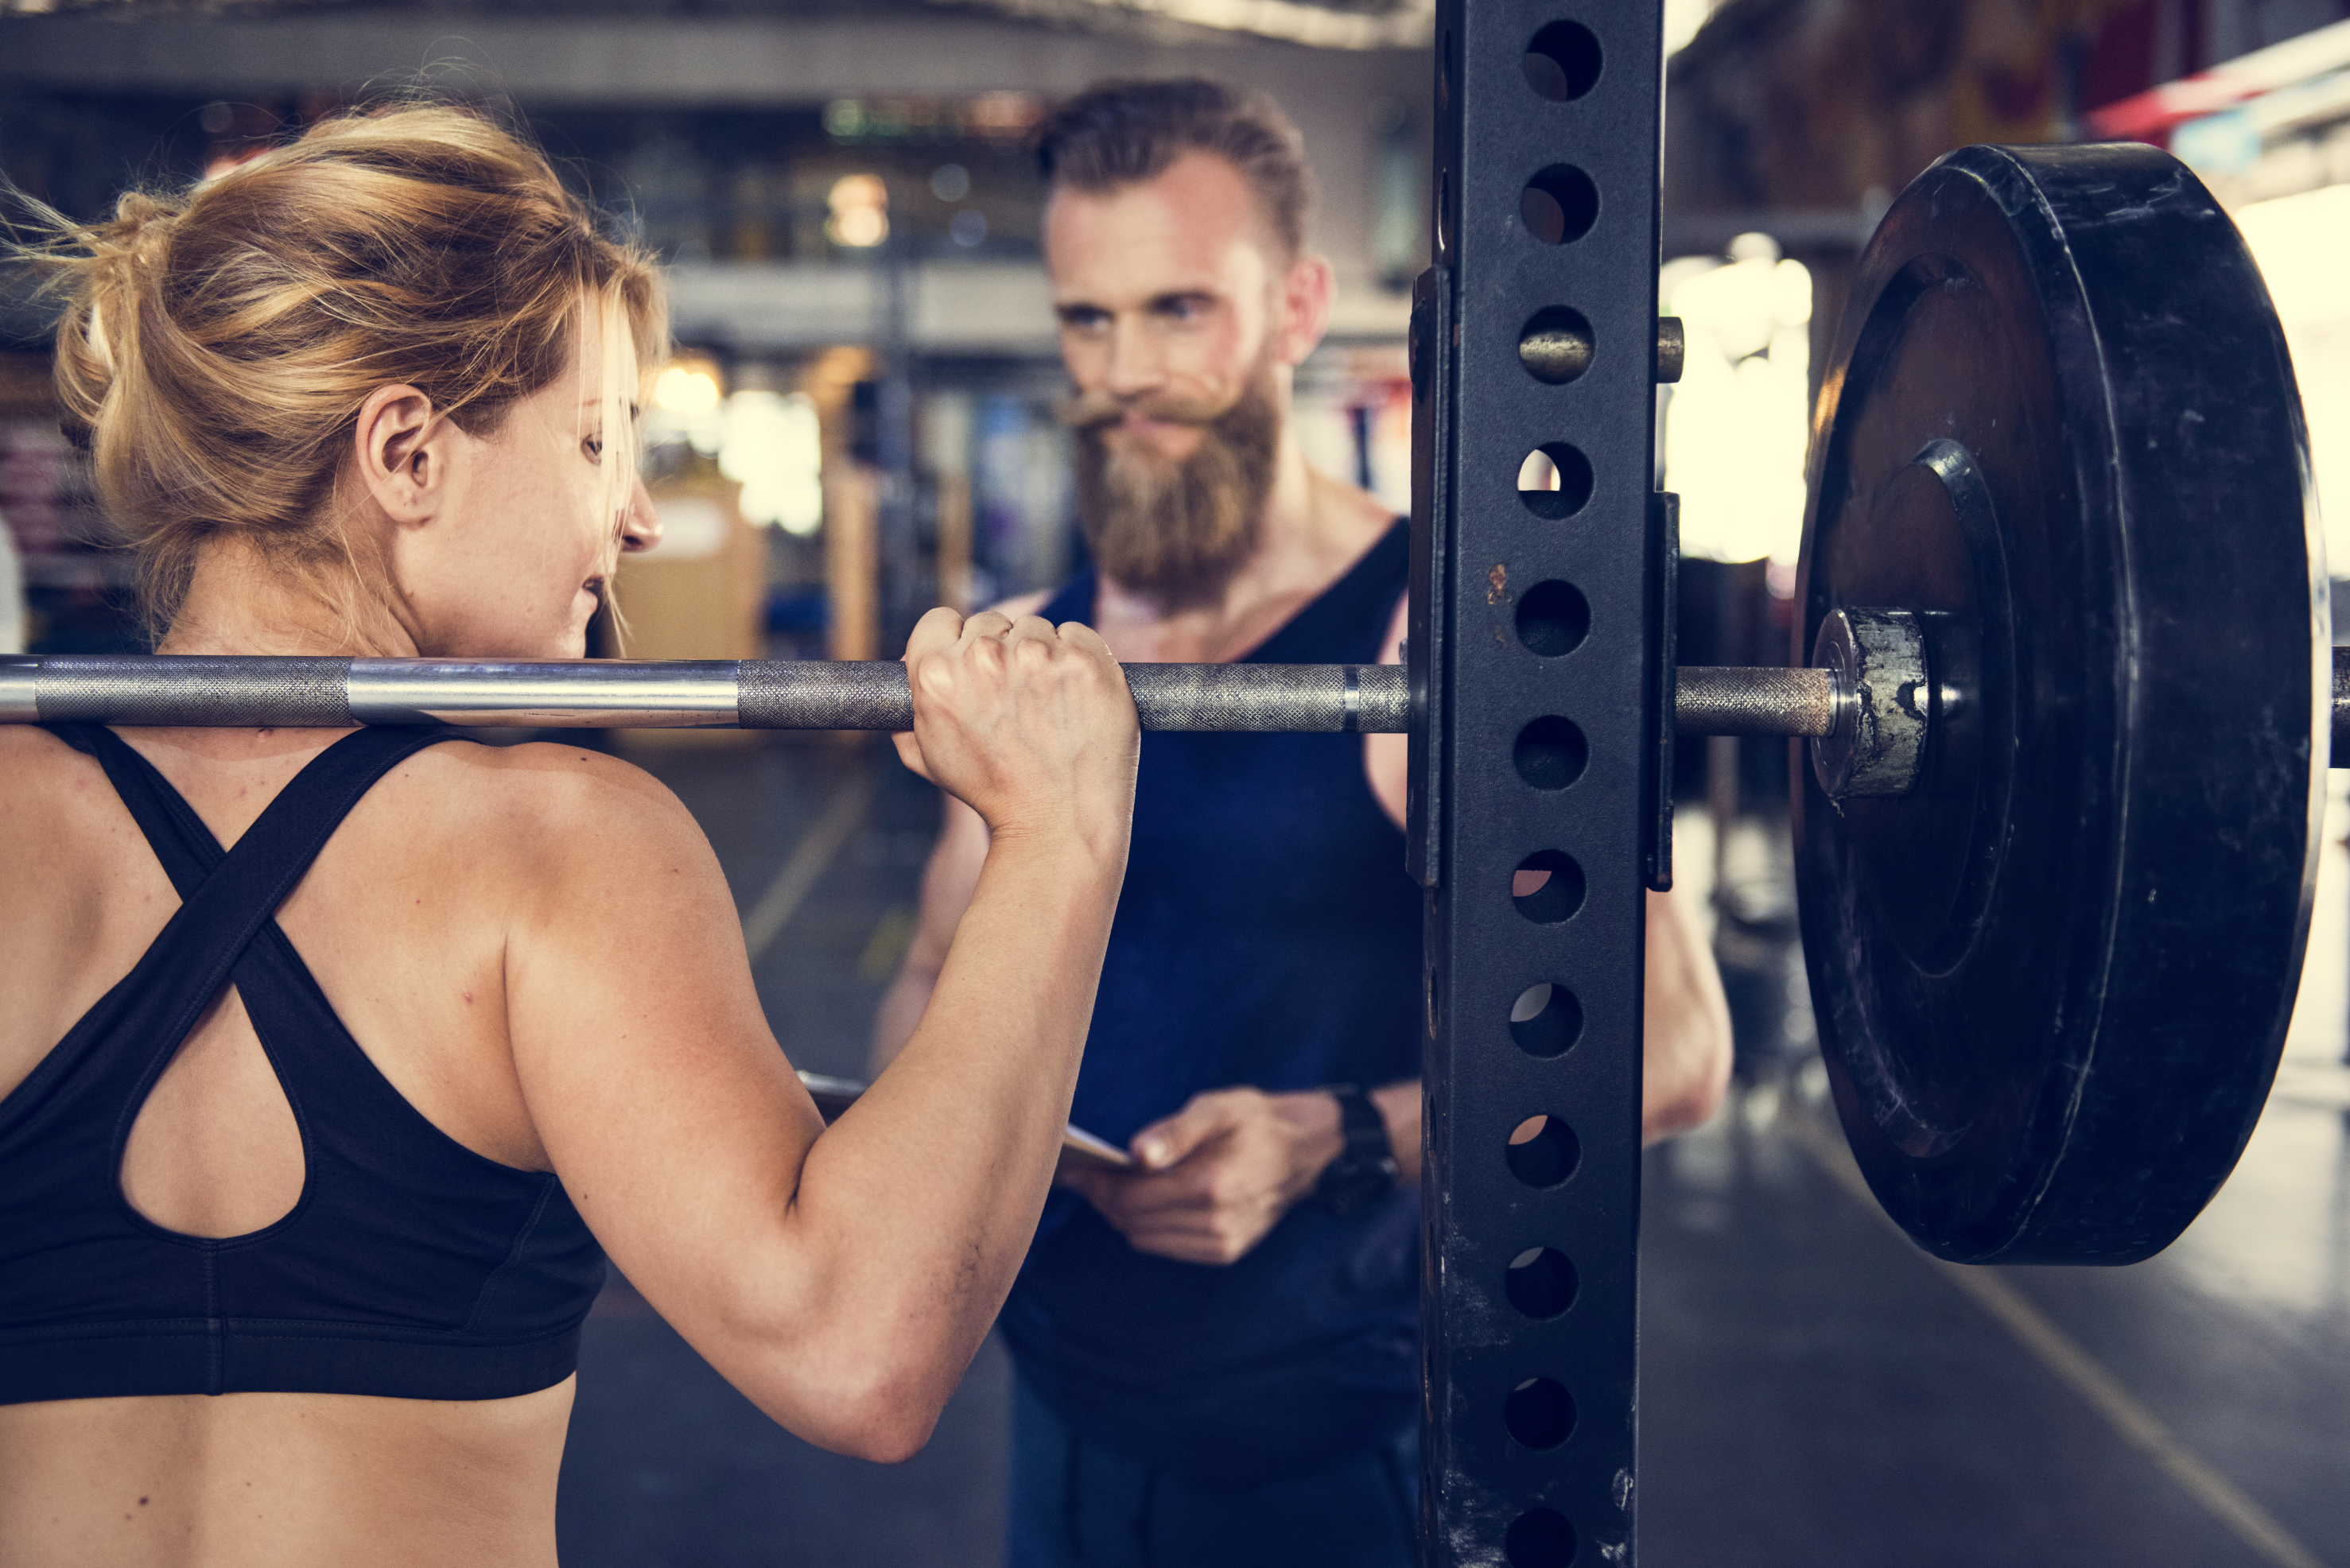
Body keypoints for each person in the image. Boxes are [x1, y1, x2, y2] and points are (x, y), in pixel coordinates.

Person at [0, 103, 1140, 1566]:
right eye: (598, 439)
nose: (641, 519)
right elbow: (858, 1350)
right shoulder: (560, 847)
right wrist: (1057, 836)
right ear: (407, 453)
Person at [871, 79, 1733, 1566]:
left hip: (1329, 1443)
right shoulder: (1031, 642)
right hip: (1061, 1406)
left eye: (1180, 308)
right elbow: (928, 971)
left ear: (1297, 307)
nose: (1128, 370)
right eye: (1089, 319)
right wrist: (892, 1151)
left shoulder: (1450, 641)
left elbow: (1673, 1051)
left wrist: (1334, 1139)